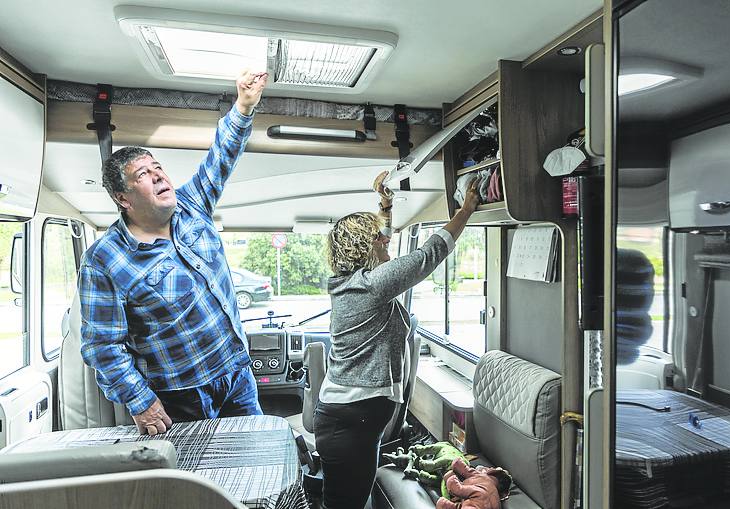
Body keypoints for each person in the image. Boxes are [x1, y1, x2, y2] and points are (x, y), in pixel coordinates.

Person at [78, 70, 268, 436]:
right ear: (123, 198)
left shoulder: (193, 206)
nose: (158, 176)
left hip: (237, 375)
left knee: (254, 470)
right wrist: (140, 401)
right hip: (180, 396)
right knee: (198, 489)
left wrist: (244, 106)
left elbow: (221, 157)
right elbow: (103, 345)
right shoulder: (104, 259)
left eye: (158, 168)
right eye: (142, 175)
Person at [314, 171, 481, 509]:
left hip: (351, 420)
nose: (386, 239)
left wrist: (386, 207)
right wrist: (465, 211)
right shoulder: (372, 285)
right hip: (350, 422)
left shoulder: (356, 283)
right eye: (378, 237)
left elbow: (384, 248)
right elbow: (426, 256)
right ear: (364, 246)